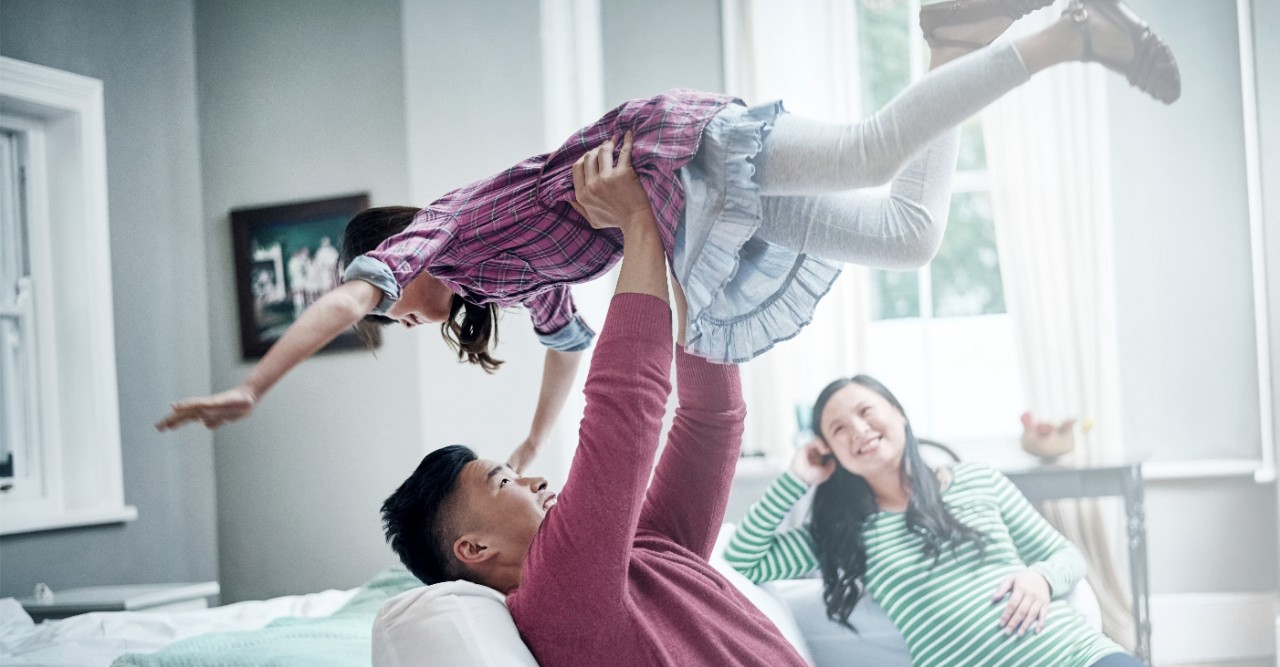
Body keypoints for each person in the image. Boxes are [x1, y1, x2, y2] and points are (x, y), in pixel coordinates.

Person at [157, 0, 1181, 475]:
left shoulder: (443, 226)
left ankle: (1058, 33)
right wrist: (526, 441)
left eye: (396, 295)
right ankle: (958, 37)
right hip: (692, 211)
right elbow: (568, 352)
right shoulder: (503, 279)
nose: (406, 314)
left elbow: (345, 299)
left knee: (872, 153)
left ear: (393, 251)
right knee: (908, 235)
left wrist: (259, 384)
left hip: (676, 158)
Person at [376, 139, 980, 667]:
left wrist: (686, 247)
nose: (531, 481)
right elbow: (624, 418)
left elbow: (710, 425)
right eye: (504, 480)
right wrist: (637, 224)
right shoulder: (554, 598)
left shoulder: (645, 550)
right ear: (475, 550)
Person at [723, 375, 1198, 667]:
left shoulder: (976, 480)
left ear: (899, 415)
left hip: (1074, 656)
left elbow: (1066, 556)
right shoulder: (844, 532)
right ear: (828, 451)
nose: (857, 431)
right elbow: (742, 560)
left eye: (866, 412)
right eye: (838, 429)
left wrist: (1039, 576)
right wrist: (796, 478)